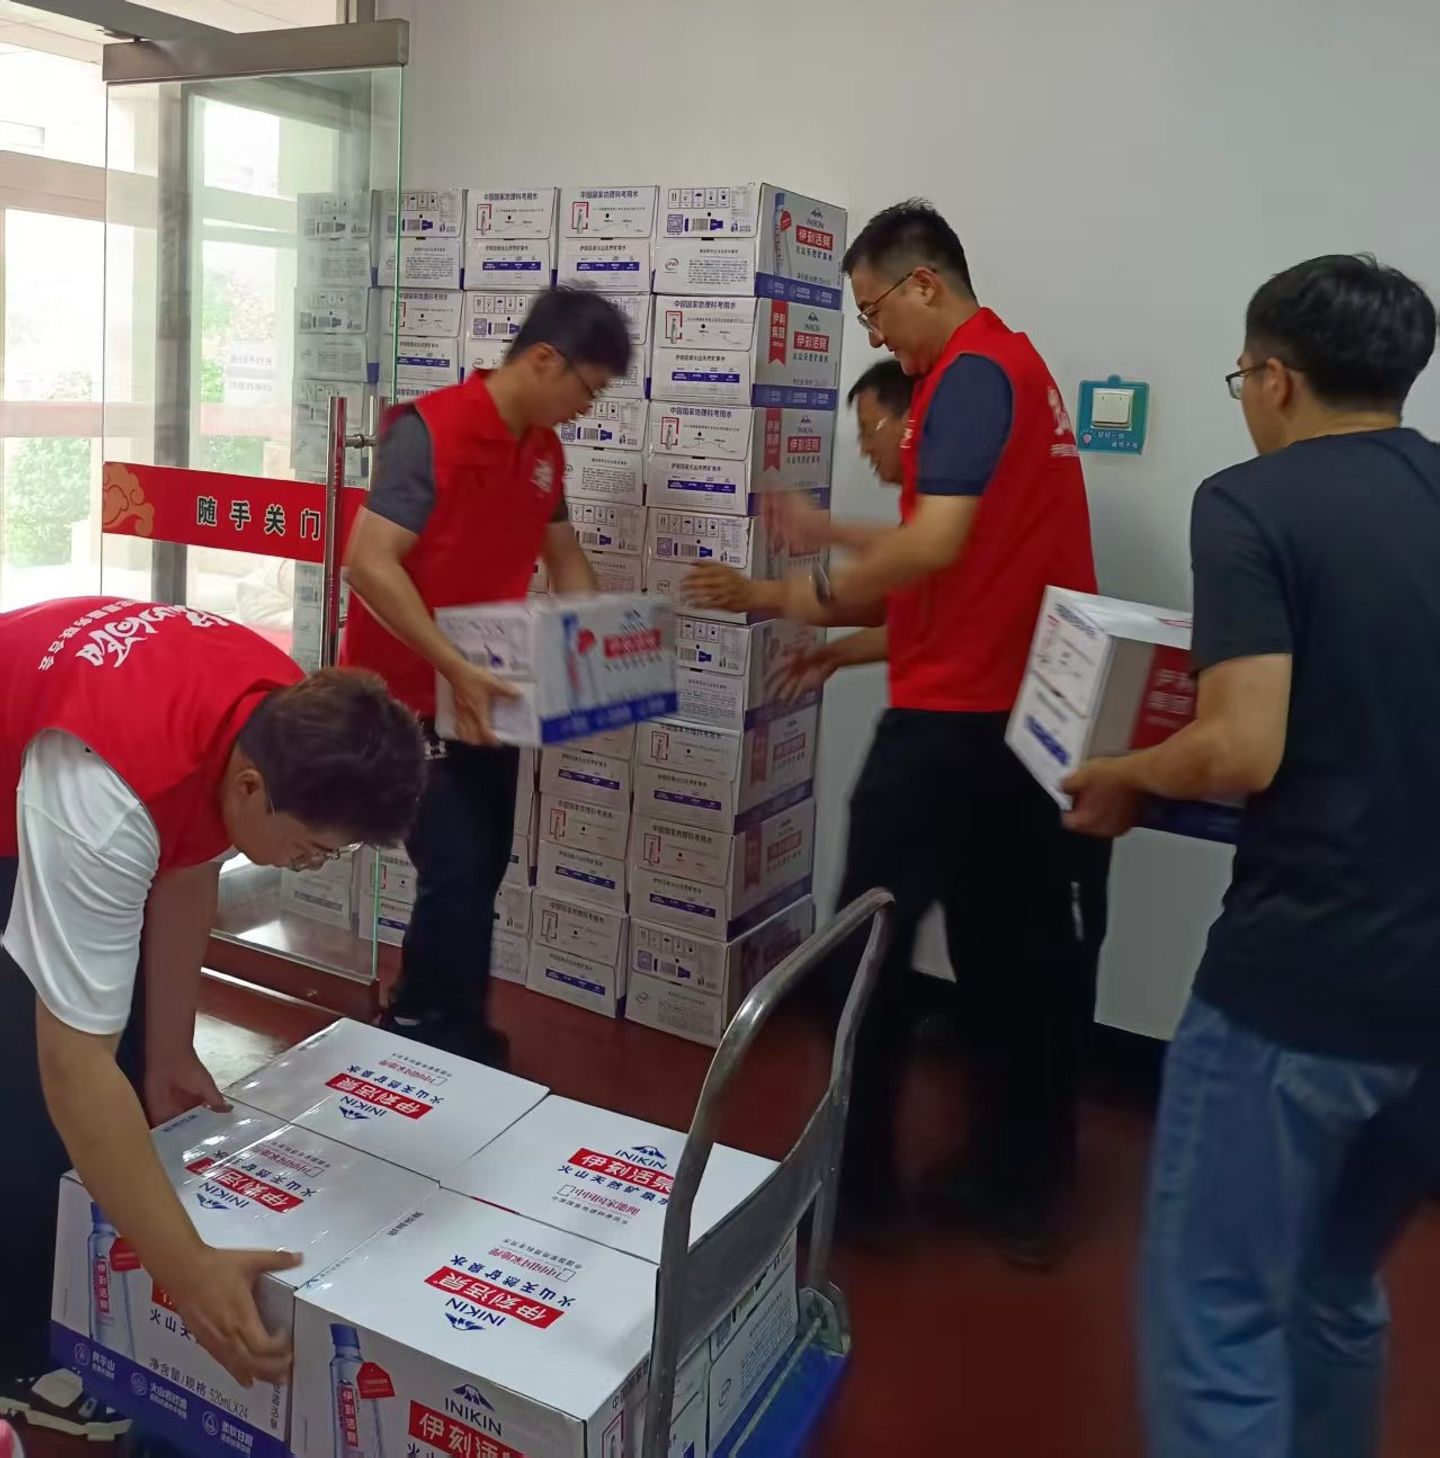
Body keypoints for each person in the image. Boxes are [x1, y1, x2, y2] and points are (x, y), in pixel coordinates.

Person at [1064, 255, 1440, 1458]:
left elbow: (1238, 746)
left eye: (1240, 379)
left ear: (1276, 379)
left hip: (1301, 992)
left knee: (1219, 1318)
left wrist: (1125, 774)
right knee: (1335, 1286)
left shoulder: (1252, 503)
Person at [688, 200, 1105, 1264]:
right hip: (1022, 718)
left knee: (864, 950)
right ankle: (1018, 1182)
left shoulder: (967, 374)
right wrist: (834, 546)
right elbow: (966, 548)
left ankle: (854, 1187)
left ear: (926, 284)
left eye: (875, 311)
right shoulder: (1019, 370)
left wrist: (797, 593)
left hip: (953, 721)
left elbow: (936, 547)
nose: (875, 334)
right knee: (1011, 959)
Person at [0, 596, 426, 1428]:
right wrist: (188, 1275)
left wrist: (169, 1048)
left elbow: (191, 856)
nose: (310, 865)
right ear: (252, 787)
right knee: (31, 1089)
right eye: (313, 847)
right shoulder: (104, 799)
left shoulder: (280, 719)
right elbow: (71, 1068)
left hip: (62, 728)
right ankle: (17, 1349)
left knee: (121, 1071)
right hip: (31, 768)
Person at [341, 285, 631, 1064]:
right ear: (545, 360)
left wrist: (593, 652)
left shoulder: (544, 452)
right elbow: (368, 563)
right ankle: (427, 1029)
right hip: (404, 695)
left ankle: (436, 1015)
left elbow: (565, 559)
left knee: (481, 863)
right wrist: (452, 666)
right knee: (457, 863)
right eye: (588, 389)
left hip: (490, 689)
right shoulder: (428, 432)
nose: (586, 408)